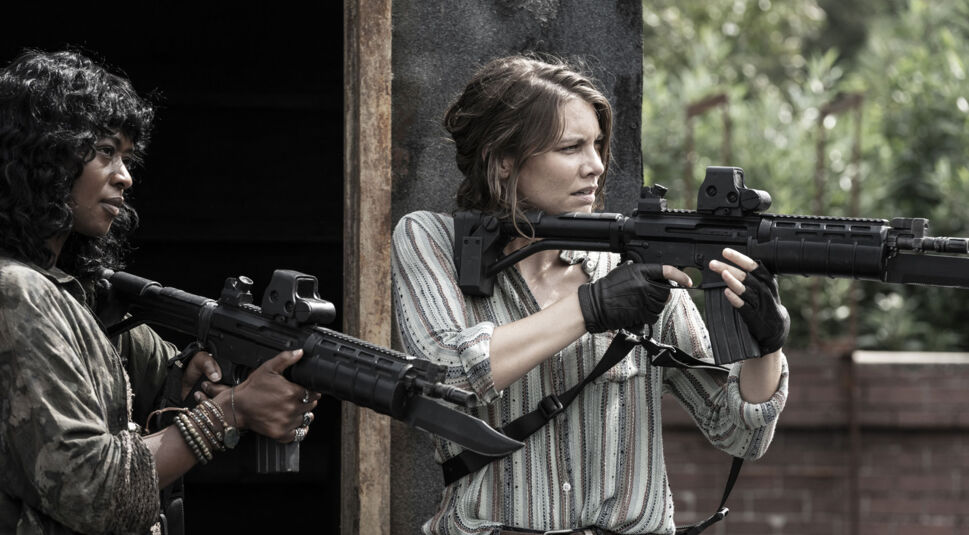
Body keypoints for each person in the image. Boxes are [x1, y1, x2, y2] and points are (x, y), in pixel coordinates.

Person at [391, 55, 790, 535]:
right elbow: (444, 373)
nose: (596, 165)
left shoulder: (636, 267)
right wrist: (589, 308)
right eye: (570, 147)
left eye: (598, 144)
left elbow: (736, 432)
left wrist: (764, 349)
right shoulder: (430, 241)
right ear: (503, 161)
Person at [0, 49, 321, 534]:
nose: (125, 176)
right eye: (105, 152)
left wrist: (191, 378)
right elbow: (94, 491)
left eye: (126, 157)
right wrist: (229, 411)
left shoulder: (72, 291)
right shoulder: (18, 292)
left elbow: (155, 383)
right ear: (45, 154)